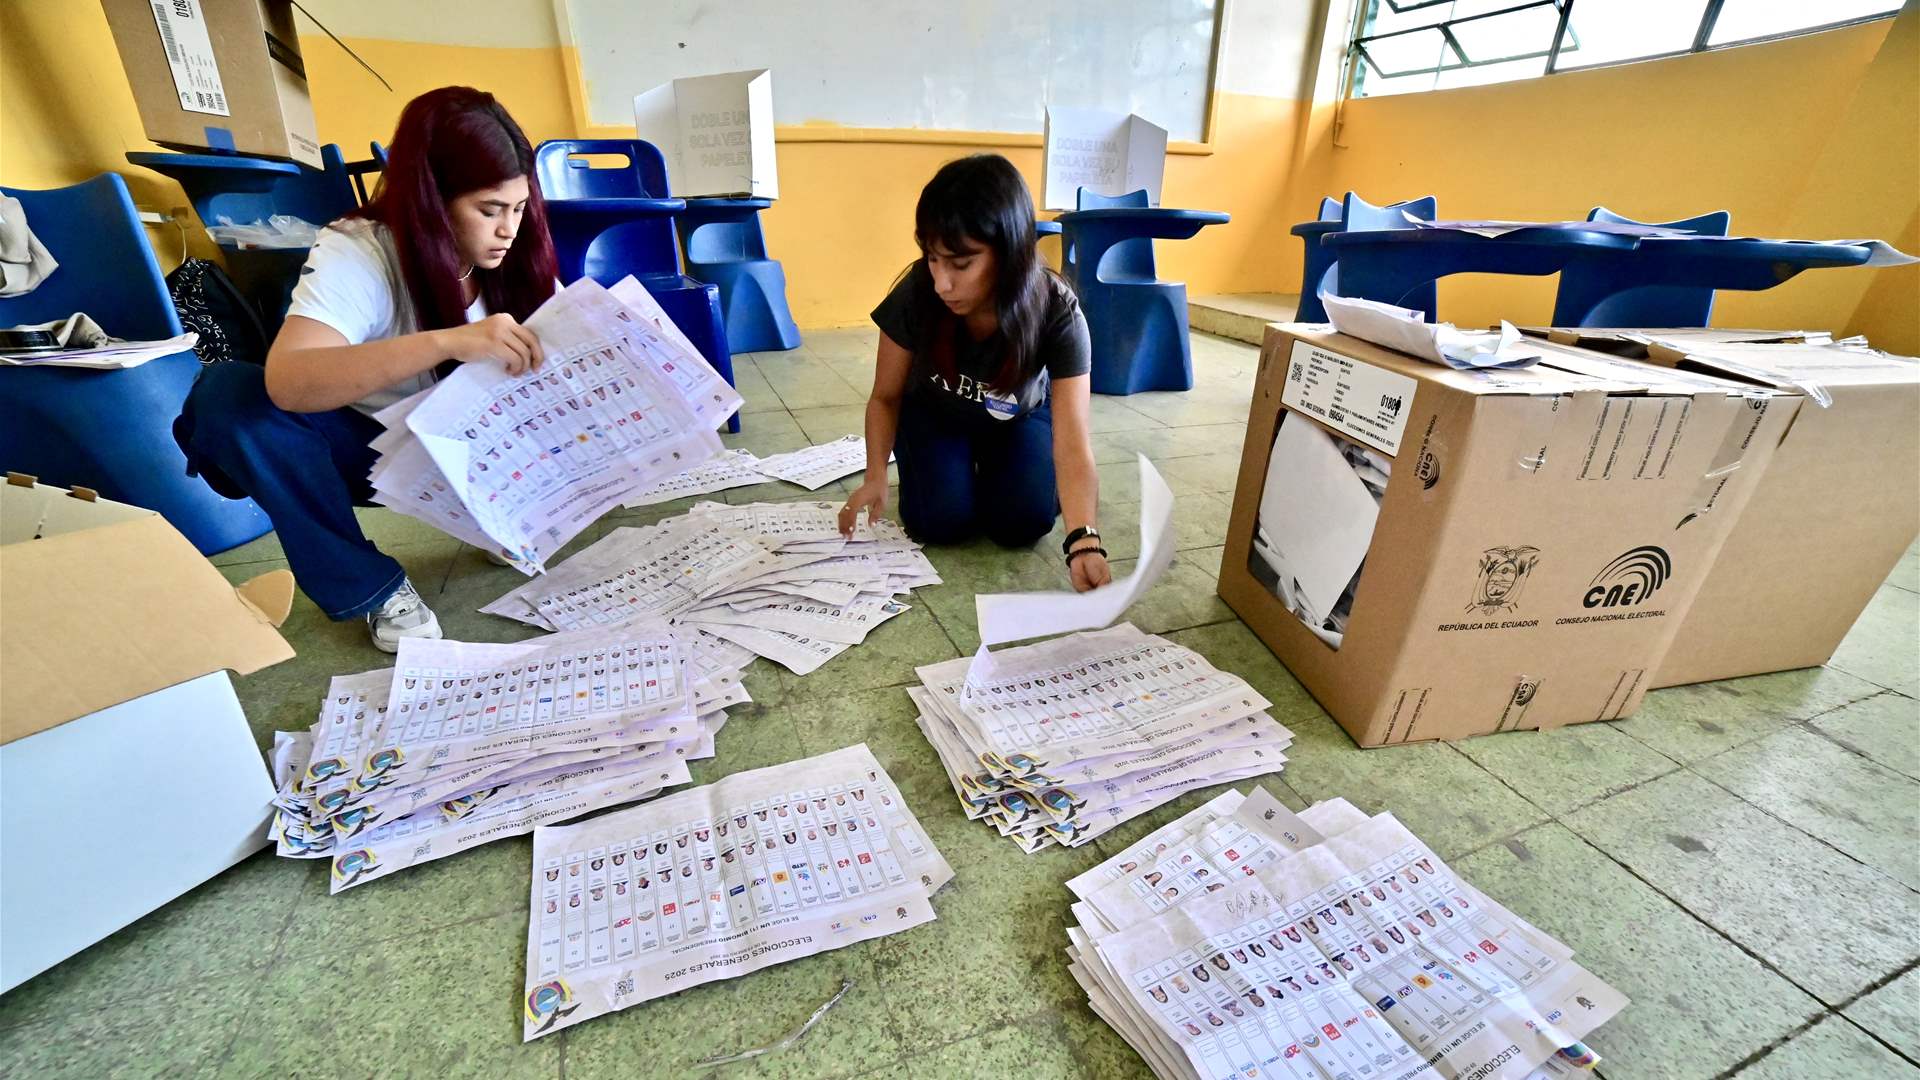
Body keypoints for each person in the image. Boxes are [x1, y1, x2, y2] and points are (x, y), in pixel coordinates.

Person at [174, 86, 557, 650]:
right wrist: (448, 341)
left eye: (520, 208)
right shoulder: (360, 250)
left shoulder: (516, 255)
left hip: (479, 453)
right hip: (376, 453)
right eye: (489, 210)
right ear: (432, 200)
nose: (509, 229)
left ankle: (498, 515)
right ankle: (370, 589)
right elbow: (290, 380)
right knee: (231, 396)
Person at [837, 154, 1111, 592]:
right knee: (940, 522)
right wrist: (875, 477)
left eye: (961, 263)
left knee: (1023, 523)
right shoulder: (918, 294)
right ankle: (961, 474)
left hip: (1017, 417)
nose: (943, 282)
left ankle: (1002, 474)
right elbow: (885, 396)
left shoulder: (1056, 309)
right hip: (935, 415)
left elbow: (1074, 439)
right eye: (932, 258)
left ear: (1010, 254)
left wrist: (1084, 539)